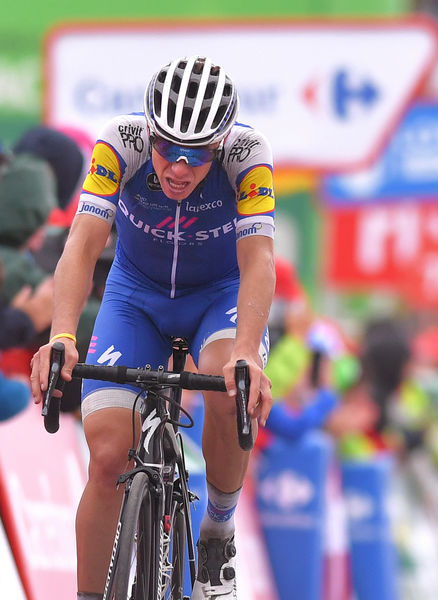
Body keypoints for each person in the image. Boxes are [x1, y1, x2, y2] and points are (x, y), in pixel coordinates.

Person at [29, 55, 276, 600]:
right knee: (109, 455)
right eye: (167, 147)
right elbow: (84, 243)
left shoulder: (247, 155)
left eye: (196, 153)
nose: (179, 167)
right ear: (150, 130)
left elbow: (258, 259)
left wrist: (248, 356)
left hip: (220, 297)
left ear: (221, 143)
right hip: (135, 297)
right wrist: (63, 336)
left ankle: (217, 528)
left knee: (224, 377)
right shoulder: (120, 142)